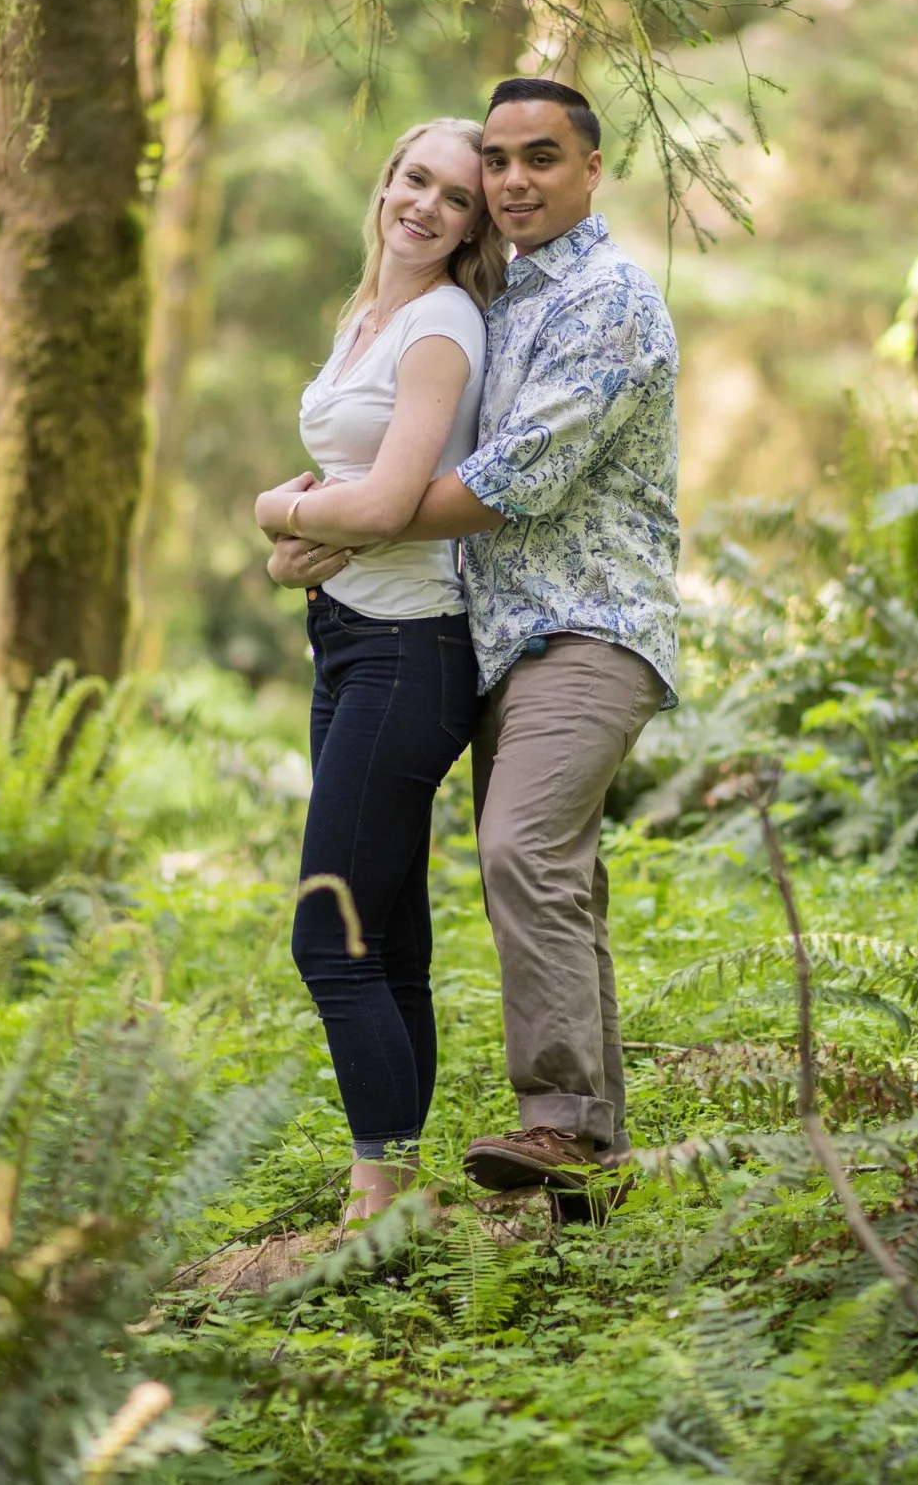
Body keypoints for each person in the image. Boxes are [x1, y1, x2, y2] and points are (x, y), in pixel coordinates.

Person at [265, 78, 680, 1212]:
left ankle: (556, 1127)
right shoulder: (497, 300)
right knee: (559, 880)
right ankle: (590, 1166)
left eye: (537, 159)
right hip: (494, 634)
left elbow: (510, 480)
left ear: (592, 169)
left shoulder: (604, 298)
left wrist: (308, 513)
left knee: (520, 852)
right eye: (494, 162)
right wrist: (333, 528)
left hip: (588, 623)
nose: (508, 182)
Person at [253, 118, 505, 1229]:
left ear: (470, 226)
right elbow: (354, 483)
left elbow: (392, 500)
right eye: (416, 181)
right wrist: (315, 532)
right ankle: (396, 1189)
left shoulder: (442, 327)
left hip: (412, 649)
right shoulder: (371, 316)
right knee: (389, 936)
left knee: (331, 933)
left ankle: (373, 1209)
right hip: (350, 638)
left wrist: (278, 513)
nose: (426, 207)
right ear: (387, 183)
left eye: (455, 199)